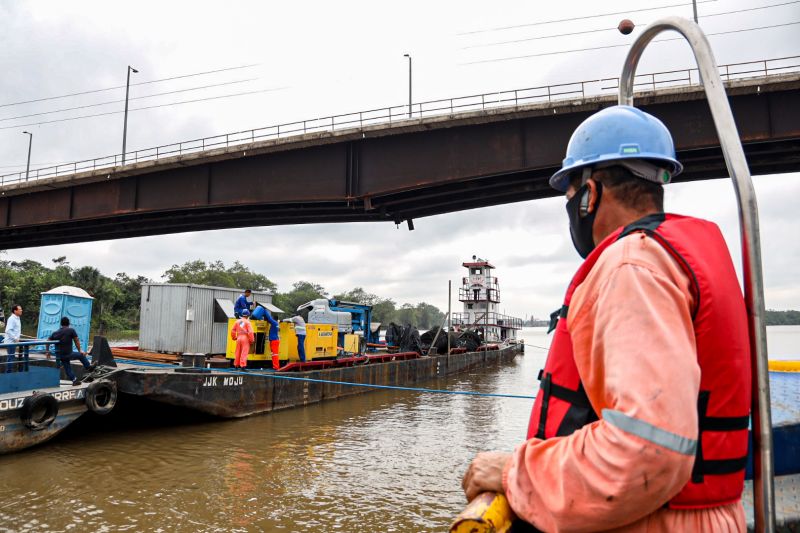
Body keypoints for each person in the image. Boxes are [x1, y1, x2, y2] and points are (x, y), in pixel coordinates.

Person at [461, 105, 751, 531]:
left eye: (570, 195)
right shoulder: (670, 258)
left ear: (590, 194)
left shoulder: (631, 268)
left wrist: (514, 473)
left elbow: (647, 449)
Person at [48, 317, 94, 386]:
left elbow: (47, 341)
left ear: (61, 324)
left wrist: (47, 351)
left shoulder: (55, 333)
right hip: (68, 354)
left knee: (67, 367)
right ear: (68, 323)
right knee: (81, 355)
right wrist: (80, 350)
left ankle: (74, 380)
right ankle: (88, 367)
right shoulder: (71, 330)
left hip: (60, 356)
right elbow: (76, 340)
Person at [3, 304, 22, 373]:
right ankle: (8, 372)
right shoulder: (12, 319)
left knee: (11, 357)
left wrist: (18, 336)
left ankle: (9, 371)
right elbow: (8, 330)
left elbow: (15, 329)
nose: (21, 310)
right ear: (15, 311)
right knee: (10, 357)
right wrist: (15, 338)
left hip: (13, 341)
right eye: (19, 309)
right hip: (10, 342)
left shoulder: (17, 318)